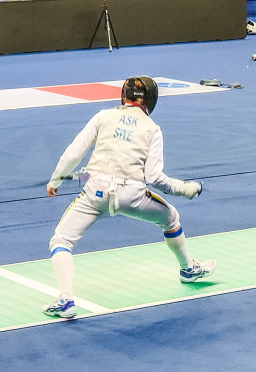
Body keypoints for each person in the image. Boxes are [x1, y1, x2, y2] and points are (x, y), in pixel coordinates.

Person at [42, 76, 216, 319]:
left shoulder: (103, 115)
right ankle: (187, 269)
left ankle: (66, 299)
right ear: (151, 100)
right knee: (170, 217)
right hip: (132, 195)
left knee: (61, 240)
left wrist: (56, 180)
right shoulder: (152, 128)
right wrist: (185, 189)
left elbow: (74, 153)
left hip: (96, 192)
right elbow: (155, 177)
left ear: (123, 96)